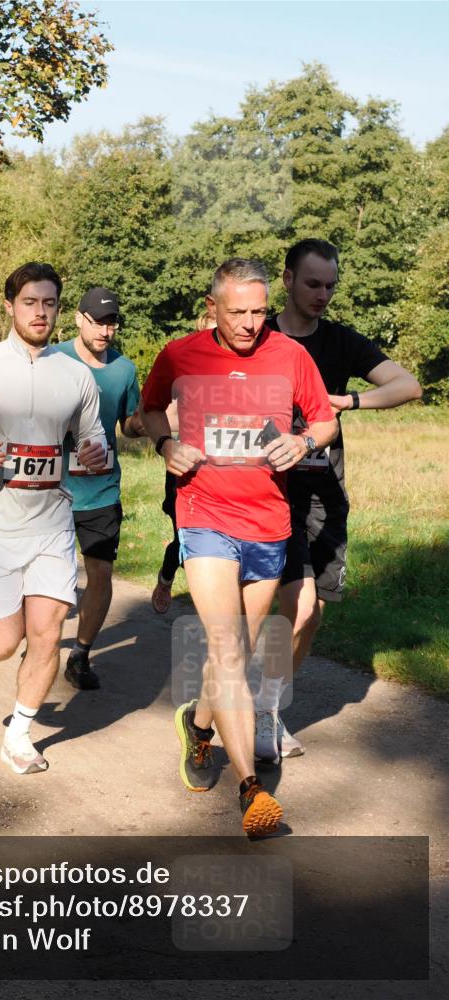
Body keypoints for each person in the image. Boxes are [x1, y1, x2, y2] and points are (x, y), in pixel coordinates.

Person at [141, 258, 337, 836]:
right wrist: (166, 444)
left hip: (269, 521)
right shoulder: (179, 354)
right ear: (212, 309)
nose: (251, 323)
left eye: (258, 311)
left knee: (240, 653)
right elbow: (151, 410)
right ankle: (250, 789)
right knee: (226, 647)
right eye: (238, 313)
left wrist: (302, 441)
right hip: (203, 514)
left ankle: (199, 728)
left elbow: (324, 421)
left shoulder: (290, 355)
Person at [0, 262, 106, 775]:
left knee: (48, 632)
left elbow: (92, 437)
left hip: (52, 524)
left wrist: (93, 453)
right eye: (30, 302)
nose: (40, 312)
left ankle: (20, 733)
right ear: (9, 306)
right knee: (6, 641)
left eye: (50, 303)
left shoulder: (76, 375)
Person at [254, 239, 423, 763]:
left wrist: (349, 399)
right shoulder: (259, 337)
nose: (323, 294)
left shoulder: (342, 341)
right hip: (269, 492)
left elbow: (408, 385)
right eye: (312, 284)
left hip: (326, 493)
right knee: (297, 609)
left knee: (312, 614)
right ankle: (261, 712)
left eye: (330, 285)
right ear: (286, 280)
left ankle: (270, 704)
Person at [54, 287, 142, 688]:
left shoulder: (125, 369)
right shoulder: (52, 359)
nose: (106, 330)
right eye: (98, 322)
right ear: (78, 319)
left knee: (101, 574)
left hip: (101, 489)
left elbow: (130, 426)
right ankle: (39, 639)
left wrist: (154, 419)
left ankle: (80, 655)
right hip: (52, 488)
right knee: (47, 577)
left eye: (112, 322)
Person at [151, 312, 216, 615]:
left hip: (232, 475)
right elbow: (158, 412)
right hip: (187, 471)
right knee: (185, 539)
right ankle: (166, 578)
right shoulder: (183, 366)